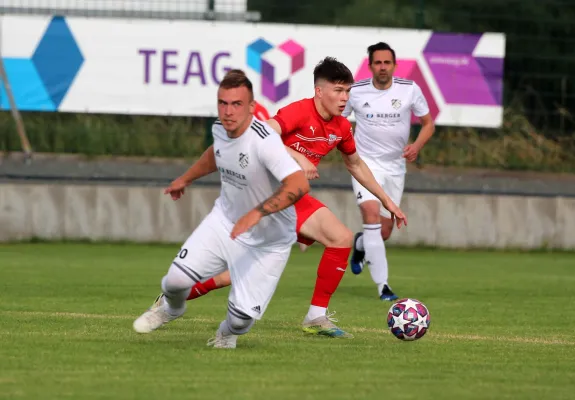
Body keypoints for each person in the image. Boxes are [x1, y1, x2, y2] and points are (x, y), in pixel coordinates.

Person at [147, 57, 408, 340]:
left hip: (292, 198)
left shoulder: (342, 128)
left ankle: (316, 316)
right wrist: (299, 157)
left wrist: (387, 202)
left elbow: (356, 165)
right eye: (338, 91)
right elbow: (264, 132)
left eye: (347, 91)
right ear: (319, 91)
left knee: (341, 238)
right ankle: (169, 301)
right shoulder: (299, 111)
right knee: (234, 274)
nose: (345, 98)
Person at [132, 69, 310, 349]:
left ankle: (226, 332)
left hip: (269, 240)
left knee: (240, 320)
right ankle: (171, 309)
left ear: (252, 107)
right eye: (223, 103)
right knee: (175, 281)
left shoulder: (264, 141)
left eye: (237, 104)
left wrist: (256, 213)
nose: (228, 111)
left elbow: (299, 184)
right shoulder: (220, 129)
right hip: (225, 222)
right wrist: (186, 178)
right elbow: (215, 154)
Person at [342, 42, 435, 301]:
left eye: (387, 62)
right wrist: (344, 146)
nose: (382, 67)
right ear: (370, 65)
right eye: (377, 63)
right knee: (371, 216)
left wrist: (416, 146)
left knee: (383, 232)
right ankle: (383, 287)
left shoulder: (409, 90)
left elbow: (428, 124)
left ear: (394, 65)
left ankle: (360, 245)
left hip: (395, 167)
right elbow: (339, 121)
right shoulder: (357, 92)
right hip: (364, 166)